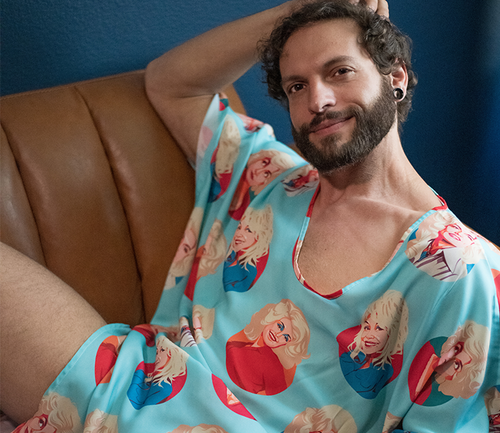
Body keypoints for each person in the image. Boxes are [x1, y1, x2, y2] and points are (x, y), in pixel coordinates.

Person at [1, 0, 499, 432]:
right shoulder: (267, 177)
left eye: (340, 71)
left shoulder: (456, 269)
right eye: (297, 86)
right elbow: (170, 84)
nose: (318, 101)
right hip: (134, 387)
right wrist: (297, 10)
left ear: (396, 78)